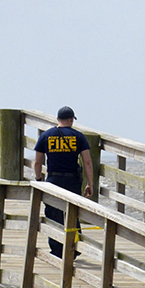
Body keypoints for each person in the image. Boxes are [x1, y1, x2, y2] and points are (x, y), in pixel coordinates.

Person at [33, 106, 94, 258]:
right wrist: (90, 184)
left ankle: (56, 250)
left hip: (53, 179)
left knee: (53, 214)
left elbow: (37, 163)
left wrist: (39, 180)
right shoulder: (78, 136)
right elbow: (87, 162)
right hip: (72, 180)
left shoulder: (46, 136)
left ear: (58, 119)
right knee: (73, 214)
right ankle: (74, 248)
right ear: (71, 119)